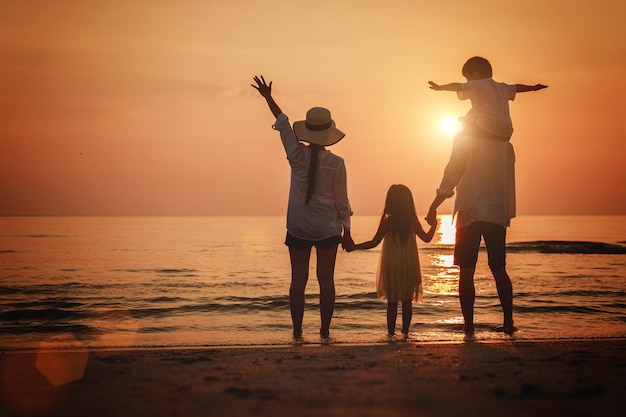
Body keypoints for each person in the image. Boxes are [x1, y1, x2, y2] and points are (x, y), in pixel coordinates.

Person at [251, 75, 353, 341]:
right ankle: (324, 331)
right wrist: (348, 231)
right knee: (326, 281)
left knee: (298, 281)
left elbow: (283, 123)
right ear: (328, 132)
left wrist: (267, 97)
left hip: (298, 226)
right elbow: (342, 202)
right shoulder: (337, 163)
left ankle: (297, 331)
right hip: (327, 227)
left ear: (307, 130)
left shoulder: (296, 155)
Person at [344, 184, 436, 340]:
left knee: (392, 301)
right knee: (407, 300)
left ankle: (391, 334)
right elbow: (427, 238)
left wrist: (354, 247)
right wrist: (434, 225)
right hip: (408, 263)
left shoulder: (388, 221)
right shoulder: (411, 221)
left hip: (391, 264)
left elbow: (374, 242)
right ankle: (405, 333)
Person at [428, 56, 548, 141]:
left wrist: (440, 87)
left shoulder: (477, 84)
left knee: (459, 136)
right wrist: (533, 87)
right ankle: (467, 120)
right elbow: (517, 87)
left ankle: (456, 174)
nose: (467, 82)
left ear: (476, 75)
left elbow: (457, 86)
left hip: (487, 128)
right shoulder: (502, 87)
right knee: (472, 113)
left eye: (468, 78)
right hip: (506, 132)